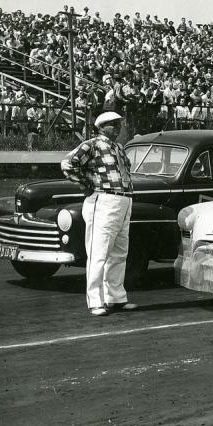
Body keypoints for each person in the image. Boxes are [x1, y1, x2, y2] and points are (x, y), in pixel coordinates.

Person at [60, 111, 137, 316]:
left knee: (120, 251)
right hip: (103, 199)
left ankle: (116, 297)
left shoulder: (119, 148)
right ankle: (96, 300)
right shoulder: (92, 144)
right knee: (99, 252)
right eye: (113, 124)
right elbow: (67, 164)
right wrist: (86, 184)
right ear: (101, 127)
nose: (118, 128)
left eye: (119, 124)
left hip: (123, 200)